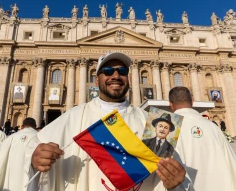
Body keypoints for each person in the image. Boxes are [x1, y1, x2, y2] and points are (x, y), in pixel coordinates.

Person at [24, 52, 189, 191]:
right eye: (108, 71)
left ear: (129, 78)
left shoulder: (151, 122)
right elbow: (32, 150)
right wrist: (34, 159)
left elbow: (164, 178)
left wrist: (174, 183)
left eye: (122, 71)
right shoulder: (73, 116)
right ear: (96, 80)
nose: (115, 76)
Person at [169, 86, 236, 191]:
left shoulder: (164, 128)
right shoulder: (213, 127)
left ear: (171, 104)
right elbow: (234, 168)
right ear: (193, 102)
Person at [0, 117, 37, 191]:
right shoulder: (40, 136)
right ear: (35, 126)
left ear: (22, 127)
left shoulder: (11, 137)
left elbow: (1, 159)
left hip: (11, 178)